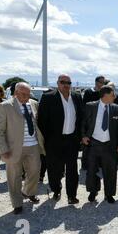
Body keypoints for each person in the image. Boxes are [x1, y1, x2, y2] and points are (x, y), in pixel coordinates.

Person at [0, 83, 44, 214]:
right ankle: (17, 203)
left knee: (35, 172)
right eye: (24, 94)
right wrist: (3, 149)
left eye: (28, 94)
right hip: (13, 148)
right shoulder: (5, 106)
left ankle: (28, 192)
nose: (27, 97)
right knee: (14, 177)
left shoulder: (33, 103)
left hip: (33, 145)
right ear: (16, 93)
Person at [38, 74, 84, 204]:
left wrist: (79, 137)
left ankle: (71, 195)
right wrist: (49, 137)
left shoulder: (76, 96)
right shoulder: (48, 97)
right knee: (54, 169)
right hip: (54, 141)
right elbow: (41, 120)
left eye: (68, 82)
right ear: (58, 83)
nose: (66, 85)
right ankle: (56, 189)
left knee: (72, 170)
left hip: (72, 140)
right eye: (63, 82)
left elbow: (80, 118)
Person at [82, 86, 118, 203]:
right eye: (113, 95)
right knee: (91, 170)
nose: (115, 97)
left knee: (110, 171)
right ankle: (93, 191)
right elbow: (83, 123)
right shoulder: (90, 106)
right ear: (105, 95)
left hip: (110, 145)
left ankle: (109, 194)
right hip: (93, 144)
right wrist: (84, 136)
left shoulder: (116, 108)